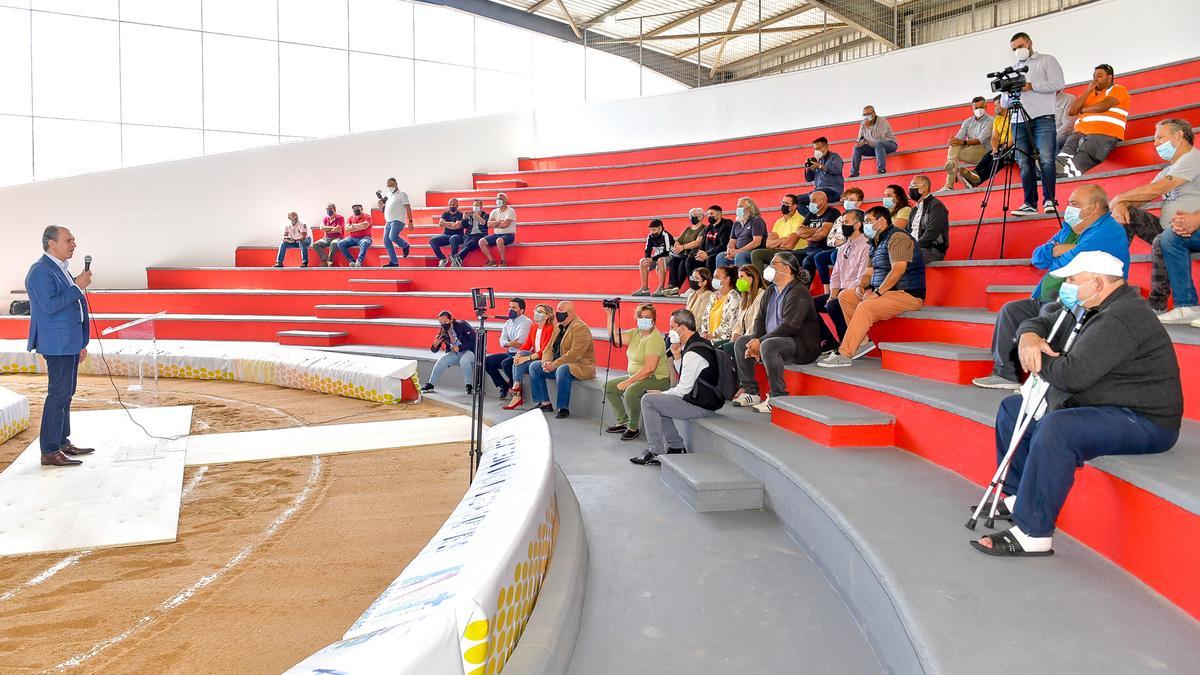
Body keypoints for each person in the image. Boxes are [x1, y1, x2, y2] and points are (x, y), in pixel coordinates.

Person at [972, 251, 1181, 557]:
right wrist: (1030, 336)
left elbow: (1072, 376)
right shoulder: (1088, 304)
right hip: (1103, 402)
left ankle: (1034, 533)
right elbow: (1039, 320)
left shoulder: (1123, 316)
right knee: (1012, 409)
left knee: (1058, 429)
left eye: (1072, 280)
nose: (1065, 286)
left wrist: (1037, 358)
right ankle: (1019, 496)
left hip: (1144, 420)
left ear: (1096, 283)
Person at [973, 184, 1130, 389]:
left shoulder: (1108, 229)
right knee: (1011, 311)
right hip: (1051, 296)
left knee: (1049, 313)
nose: (1068, 208)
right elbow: (1037, 257)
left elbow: (1072, 263)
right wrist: (1061, 249)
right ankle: (1006, 375)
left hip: (1086, 301)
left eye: (1074, 204)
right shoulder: (1068, 230)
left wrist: (1058, 253)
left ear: (1093, 207)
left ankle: (1048, 383)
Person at [1109, 119, 1199, 322]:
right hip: (1170, 228)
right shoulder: (1166, 170)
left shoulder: (1192, 159)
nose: (1156, 143)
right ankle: (1111, 283)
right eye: (1154, 139)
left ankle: (1161, 304)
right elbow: (1144, 197)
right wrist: (1123, 205)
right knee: (1127, 215)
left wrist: (1118, 198)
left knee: (1164, 238)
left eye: (1160, 137)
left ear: (1179, 136)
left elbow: (1157, 189)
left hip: (1193, 227)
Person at [818, 206, 925, 367]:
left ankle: (845, 353)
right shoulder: (875, 242)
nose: (865, 225)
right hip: (884, 292)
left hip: (906, 293)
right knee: (845, 296)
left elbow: (898, 270)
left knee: (866, 307)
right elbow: (868, 273)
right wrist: (861, 286)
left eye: (868, 221)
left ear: (881, 221)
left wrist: (878, 293)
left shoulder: (898, 237)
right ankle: (862, 342)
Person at [25, 225, 95, 467]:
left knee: (66, 393)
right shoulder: (40, 271)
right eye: (69, 240)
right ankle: (49, 450)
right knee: (58, 394)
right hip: (56, 343)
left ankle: (62, 442)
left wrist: (80, 342)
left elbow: (69, 304)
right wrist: (78, 286)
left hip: (68, 342)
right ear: (51, 243)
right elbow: (50, 306)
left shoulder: (59, 269)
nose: (74, 244)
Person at [629, 309, 724, 466]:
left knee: (648, 400)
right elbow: (689, 375)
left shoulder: (694, 351)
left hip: (700, 404)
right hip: (701, 398)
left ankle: (655, 451)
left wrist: (662, 393)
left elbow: (683, 389)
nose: (670, 331)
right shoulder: (696, 343)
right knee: (658, 400)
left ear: (683, 328)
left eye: (672, 327)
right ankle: (675, 447)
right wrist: (678, 357)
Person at [732, 251, 821, 414]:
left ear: (787, 269)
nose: (769, 267)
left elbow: (790, 326)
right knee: (740, 343)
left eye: (774, 264)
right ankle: (751, 391)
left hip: (801, 345)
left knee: (768, 345)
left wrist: (761, 341)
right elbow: (759, 320)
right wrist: (755, 340)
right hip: (773, 340)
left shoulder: (799, 291)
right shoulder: (770, 291)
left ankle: (777, 397)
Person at [1001, 32, 1066, 217]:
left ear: (1030, 43)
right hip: (1018, 120)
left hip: (1042, 116)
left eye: (1020, 46)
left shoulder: (1047, 60)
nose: (1018, 51)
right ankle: (1029, 202)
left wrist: (1031, 85)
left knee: (1046, 159)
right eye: (1014, 49)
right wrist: (1007, 91)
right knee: (1023, 162)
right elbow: (1005, 103)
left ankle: (1049, 200)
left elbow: (1058, 83)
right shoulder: (1012, 69)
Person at [604, 303, 672, 441]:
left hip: (657, 379)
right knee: (608, 387)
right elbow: (615, 337)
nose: (644, 319)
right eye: (641, 317)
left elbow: (650, 368)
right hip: (638, 376)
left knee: (631, 391)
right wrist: (610, 315)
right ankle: (622, 421)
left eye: (647, 317)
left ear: (654, 319)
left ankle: (633, 427)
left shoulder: (655, 338)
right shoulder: (636, 333)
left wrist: (628, 382)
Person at [1057, 64, 1130, 178]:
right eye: (1094, 76)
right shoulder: (1089, 94)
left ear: (1109, 77)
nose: (1095, 79)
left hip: (1104, 133)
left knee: (1085, 154)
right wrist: (1088, 90)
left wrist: (1082, 110)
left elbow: (1104, 106)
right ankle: (1056, 170)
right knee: (1066, 149)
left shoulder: (1117, 89)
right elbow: (1071, 111)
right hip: (1080, 133)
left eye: (1099, 76)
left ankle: (1065, 175)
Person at [526, 301, 595, 419]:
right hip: (558, 363)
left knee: (562, 369)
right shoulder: (558, 327)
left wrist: (554, 364)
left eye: (561, 311)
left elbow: (575, 354)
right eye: (557, 310)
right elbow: (548, 348)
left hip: (579, 365)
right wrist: (546, 362)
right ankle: (545, 403)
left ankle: (563, 407)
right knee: (534, 366)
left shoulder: (580, 328)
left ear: (571, 313)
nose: (558, 313)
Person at [814, 208, 870, 352]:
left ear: (857, 225)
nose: (842, 226)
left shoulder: (866, 246)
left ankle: (846, 345)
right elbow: (836, 274)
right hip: (840, 291)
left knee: (834, 305)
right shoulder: (843, 247)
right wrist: (833, 294)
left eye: (846, 222)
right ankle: (829, 340)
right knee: (809, 304)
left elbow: (862, 276)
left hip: (856, 291)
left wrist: (837, 296)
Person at [503, 303, 555, 410]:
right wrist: (518, 355)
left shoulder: (550, 329)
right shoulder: (534, 327)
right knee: (518, 357)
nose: (536, 313)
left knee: (524, 361)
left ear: (547, 315)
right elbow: (527, 344)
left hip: (546, 358)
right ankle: (516, 385)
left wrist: (525, 358)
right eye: (535, 311)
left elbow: (544, 351)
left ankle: (516, 393)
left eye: (540, 312)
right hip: (535, 357)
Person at [484, 298, 533, 400]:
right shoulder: (508, 323)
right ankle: (504, 386)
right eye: (510, 307)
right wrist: (510, 343)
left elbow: (520, 343)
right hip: (510, 352)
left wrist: (508, 343)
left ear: (521, 310)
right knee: (487, 361)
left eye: (514, 307)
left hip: (522, 354)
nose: (510, 309)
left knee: (506, 363)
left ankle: (515, 387)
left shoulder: (526, 322)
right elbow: (502, 341)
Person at [943, 97, 993, 191]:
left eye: (981, 107)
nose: (979, 110)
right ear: (972, 108)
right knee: (954, 145)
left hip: (983, 152)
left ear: (986, 107)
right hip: (970, 150)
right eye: (976, 108)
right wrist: (953, 141)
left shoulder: (990, 121)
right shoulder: (968, 121)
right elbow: (959, 138)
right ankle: (950, 180)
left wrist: (963, 142)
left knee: (954, 155)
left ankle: (952, 168)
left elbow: (980, 140)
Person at [421, 311, 477, 394]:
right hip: (456, 352)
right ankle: (431, 384)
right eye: (441, 322)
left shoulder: (462, 324)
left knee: (464, 361)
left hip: (470, 351)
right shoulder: (443, 330)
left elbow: (474, 340)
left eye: (445, 321)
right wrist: (434, 345)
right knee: (441, 361)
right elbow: (434, 350)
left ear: (450, 320)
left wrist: (460, 347)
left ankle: (469, 386)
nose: (443, 324)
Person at [961, 103, 1014, 187]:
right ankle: (974, 174)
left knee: (995, 162)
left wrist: (1002, 148)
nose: (995, 108)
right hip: (1000, 145)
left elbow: (1014, 137)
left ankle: (974, 181)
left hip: (1012, 146)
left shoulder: (1013, 117)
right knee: (987, 157)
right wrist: (994, 148)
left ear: (1004, 104)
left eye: (997, 105)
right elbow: (994, 137)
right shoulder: (997, 119)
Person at [680, 205, 733, 289]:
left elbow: (723, 245)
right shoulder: (708, 227)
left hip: (716, 253)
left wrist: (707, 254)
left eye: (711, 214)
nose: (709, 216)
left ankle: (709, 286)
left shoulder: (726, 226)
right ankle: (694, 286)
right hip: (706, 254)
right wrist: (700, 253)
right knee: (690, 259)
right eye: (708, 214)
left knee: (711, 258)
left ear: (719, 215)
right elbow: (703, 243)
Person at [794, 191, 841, 284]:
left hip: (824, 248)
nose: (810, 203)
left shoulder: (833, 212)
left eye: (813, 200)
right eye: (810, 200)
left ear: (823, 201)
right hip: (809, 248)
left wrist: (808, 234)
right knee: (788, 257)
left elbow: (822, 234)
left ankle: (804, 291)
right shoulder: (811, 214)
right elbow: (799, 232)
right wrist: (818, 229)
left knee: (807, 261)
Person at [750, 194, 805, 271]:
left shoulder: (800, 220)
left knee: (756, 254)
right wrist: (783, 239)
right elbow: (768, 244)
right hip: (780, 251)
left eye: (787, 204)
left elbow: (789, 245)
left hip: (793, 253)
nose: (783, 205)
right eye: (782, 203)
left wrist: (776, 243)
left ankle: (760, 282)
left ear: (794, 206)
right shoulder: (779, 222)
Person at [906, 176, 950, 263]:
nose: (910, 189)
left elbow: (932, 232)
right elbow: (907, 231)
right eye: (910, 186)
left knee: (903, 258)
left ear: (925, 187)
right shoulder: (914, 210)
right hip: (915, 249)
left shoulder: (936, 206)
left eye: (914, 185)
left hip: (931, 249)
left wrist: (915, 247)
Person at [664, 208, 708, 296]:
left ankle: (678, 286)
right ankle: (672, 285)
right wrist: (677, 247)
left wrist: (682, 247)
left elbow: (697, 242)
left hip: (693, 253)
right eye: (690, 216)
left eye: (693, 216)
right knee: (673, 261)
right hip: (682, 253)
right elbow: (679, 240)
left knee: (684, 262)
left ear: (700, 217)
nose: (691, 218)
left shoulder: (704, 228)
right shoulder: (687, 229)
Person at [727, 264, 767, 358]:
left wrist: (740, 338)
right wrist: (735, 334)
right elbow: (738, 322)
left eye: (741, 277)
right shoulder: (744, 297)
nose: (738, 280)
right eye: (738, 277)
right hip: (742, 337)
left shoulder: (761, 295)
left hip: (753, 337)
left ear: (751, 278)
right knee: (718, 347)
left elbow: (756, 323)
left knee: (729, 348)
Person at [715, 197, 767, 268]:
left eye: (741, 207)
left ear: (749, 208)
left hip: (753, 252)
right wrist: (730, 251)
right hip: (739, 252)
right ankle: (722, 279)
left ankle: (741, 279)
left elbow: (756, 242)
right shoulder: (737, 223)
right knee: (721, 256)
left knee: (740, 256)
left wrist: (738, 251)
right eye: (738, 207)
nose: (738, 209)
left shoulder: (756, 221)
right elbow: (732, 241)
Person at [851, 105, 898, 177]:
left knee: (879, 144)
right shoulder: (863, 123)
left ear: (874, 113)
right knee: (857, 148)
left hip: (889, 144)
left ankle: (881, 169)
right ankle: (854, 173)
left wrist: (869, 127)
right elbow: (860, 137)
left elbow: (879, 137)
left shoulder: (881, 121)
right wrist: (860, 142)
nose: (866, 116)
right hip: (874, 148)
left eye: (868, 114)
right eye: (864, 115)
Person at [701, 265, 742, 346]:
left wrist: (713, 335)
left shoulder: (734, 297)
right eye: (713, 277)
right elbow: (705, 316)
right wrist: (704, 332)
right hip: (709, 339)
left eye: (717, 277)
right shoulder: (713, 295)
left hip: (722, 341)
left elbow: (729, 323)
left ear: (727, 279)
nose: (714, 279)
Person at [633, 219, 675, 297]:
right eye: (650, 230)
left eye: (654, 229)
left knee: (660, 260)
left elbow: (666, 252)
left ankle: (661, 288)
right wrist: (647, 258)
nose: (652, 232)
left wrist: (652, 259)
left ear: (660, 228)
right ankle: (645, 289)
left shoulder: (666, 235)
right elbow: (647, 250)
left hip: (669, 256)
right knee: (642, 261)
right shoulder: (650, 236)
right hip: (656, 257)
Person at [377, 177, 412, 266]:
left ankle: (405, 245)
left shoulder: (402, 194)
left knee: (392, 237)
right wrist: (380, 201)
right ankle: (394, 262)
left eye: (391, 185)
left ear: (395, 184)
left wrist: (410, 221)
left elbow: (408, 207)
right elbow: (382, 204)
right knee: (386, 241)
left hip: (398, 220)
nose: (389, 187)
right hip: (388, 221)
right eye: (388, 185)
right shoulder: (388, 194)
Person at [802, 137, 845, 205]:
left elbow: (837, 170)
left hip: (833, 191)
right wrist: (808, 167)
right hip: (817, 192)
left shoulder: (835, 157)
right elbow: (808, 179)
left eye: (818, 148)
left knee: (815, 195)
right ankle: (811, 215)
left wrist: (820, 166)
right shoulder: (817, 160)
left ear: (826, 147)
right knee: (795, 200)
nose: (816, 151)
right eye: (815, 149)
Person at [479, 193, 517, 267]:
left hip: (509, 234)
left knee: (499, 240)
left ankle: (503, 261)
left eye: (500, 199)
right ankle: (491, 261)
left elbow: (505, 225)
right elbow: (489, 224)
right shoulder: (494, 211)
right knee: (481, 242)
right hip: (497, 234)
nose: (498, 201)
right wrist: (499, 221)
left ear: (505, 201)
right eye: (497, 199)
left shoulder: (511, 211)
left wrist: (495, 224)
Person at [453, 200, 491, 267]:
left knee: (471, 242)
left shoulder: (485, 215)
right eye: (473, 205)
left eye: (477, 205)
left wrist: (477, 216)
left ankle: (458, 256)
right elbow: (464, 226)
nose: (475, 207)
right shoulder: (470, 215)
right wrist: (464, 219)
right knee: (466, 243)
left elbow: (484, 223)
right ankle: (459, 259)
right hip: (469, 235)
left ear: (481, 207)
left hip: (480, 235)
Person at [429, 198, 466, 267]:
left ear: (457, 206)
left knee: (453, 238)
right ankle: (442, 259)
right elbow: (440, 224)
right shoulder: (445, 214)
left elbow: (457, 226)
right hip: (446, 235)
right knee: (432, 240)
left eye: (453, 205)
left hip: (458, 236)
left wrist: (446, 224)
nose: (451, 206)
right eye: (450, 205)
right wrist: (452, 224)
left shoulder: (460, 214)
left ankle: (454, 259)